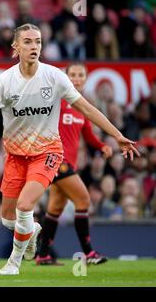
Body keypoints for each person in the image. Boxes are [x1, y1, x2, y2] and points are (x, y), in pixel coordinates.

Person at [0, 23, 139, 275]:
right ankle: (32, 230)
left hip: (47, 153)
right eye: (27, 42)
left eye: (38, 41)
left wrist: (117, 135)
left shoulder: (54, 76)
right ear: (16, 48)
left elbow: (87, 109)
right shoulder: (5, 81)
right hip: (15, 155)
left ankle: (13, 263)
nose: (34, 46)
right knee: (7, 219)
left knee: (25, 206)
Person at [36, 62, 113, 265]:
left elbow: (88, 134)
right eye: (73, 74)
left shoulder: (81, 105)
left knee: (55, 208)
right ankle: (88, 253)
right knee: (83, 199)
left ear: (85, 78)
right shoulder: (56, 100)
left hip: (68, 163)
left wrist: (101, 146)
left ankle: (42, 255)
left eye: (81, 75)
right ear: (66, 77)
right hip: (55, 160)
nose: (77, 78)